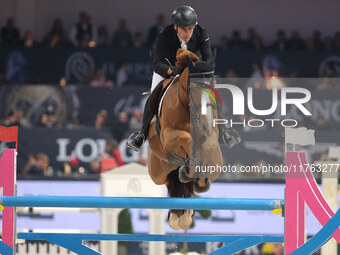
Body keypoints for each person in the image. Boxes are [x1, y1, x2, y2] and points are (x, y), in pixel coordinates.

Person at [127, 5, 240, 152]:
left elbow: (208, 58)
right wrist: (171, 70)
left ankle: (224, 131)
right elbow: (157, 63)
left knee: (212, 91)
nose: (187, 33)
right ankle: (141, 134)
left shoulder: (201, 32)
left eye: (190, 28)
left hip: (192, 69)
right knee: (154, 94)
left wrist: (203, 71)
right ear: (175, 27)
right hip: (167, 69)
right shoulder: (164, 35)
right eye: (183, 29)